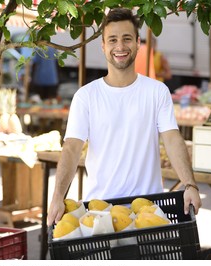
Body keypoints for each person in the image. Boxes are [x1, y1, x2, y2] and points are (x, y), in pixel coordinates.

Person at [47, 8, 201, 226]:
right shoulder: (86, 96)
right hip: (101, 212)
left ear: (138, 43)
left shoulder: (157, 91)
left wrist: (190, 185)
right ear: (103, 46)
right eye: (112, 40)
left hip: (149, 209)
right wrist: (57, 198)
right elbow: (71, 148)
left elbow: (173, 139)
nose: (120, 46)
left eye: (127, 39)